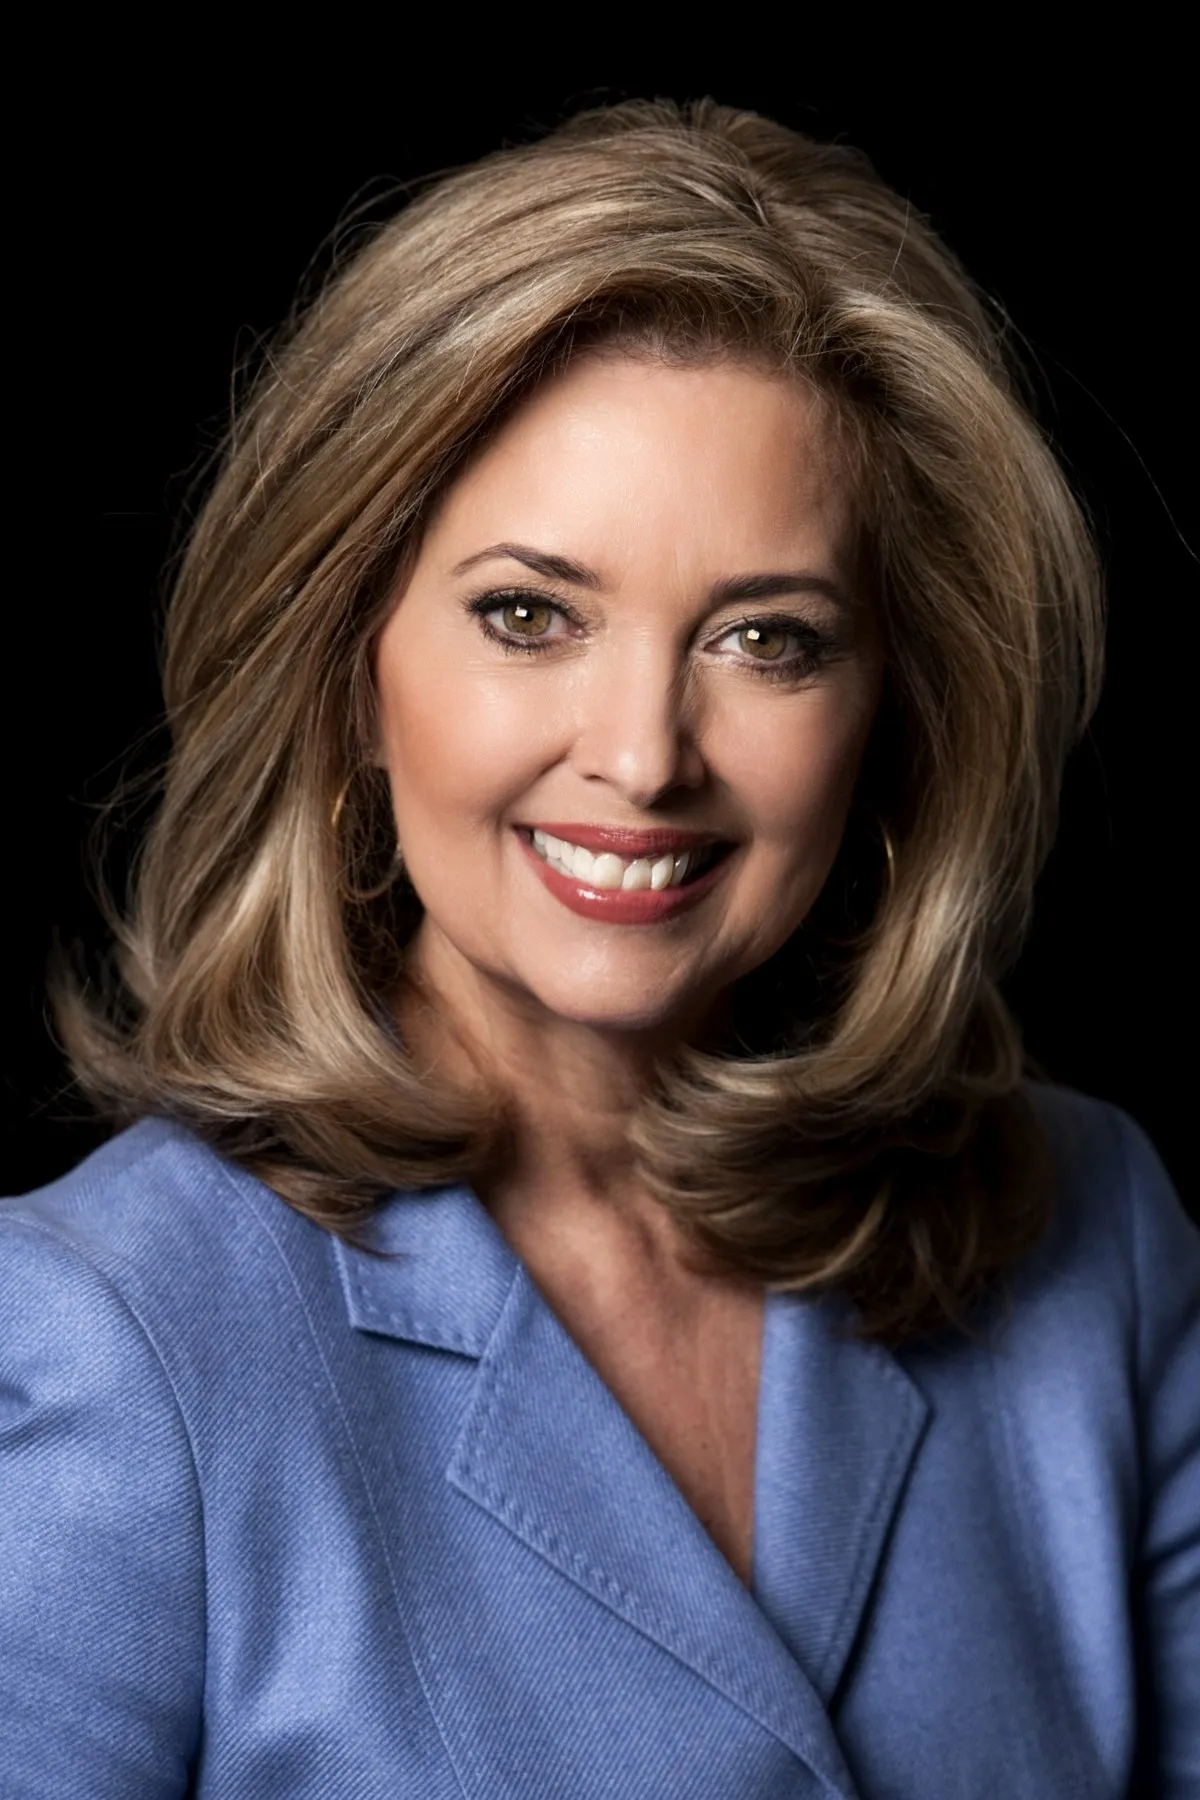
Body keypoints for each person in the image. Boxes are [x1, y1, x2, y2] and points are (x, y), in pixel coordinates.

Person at [2, 98, 1195, 1800]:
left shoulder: (1101, 1245)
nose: (644, 754)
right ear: (351, 671)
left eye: (766, 638)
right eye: (527, 616)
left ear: (891, 713)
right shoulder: (113, 1337)